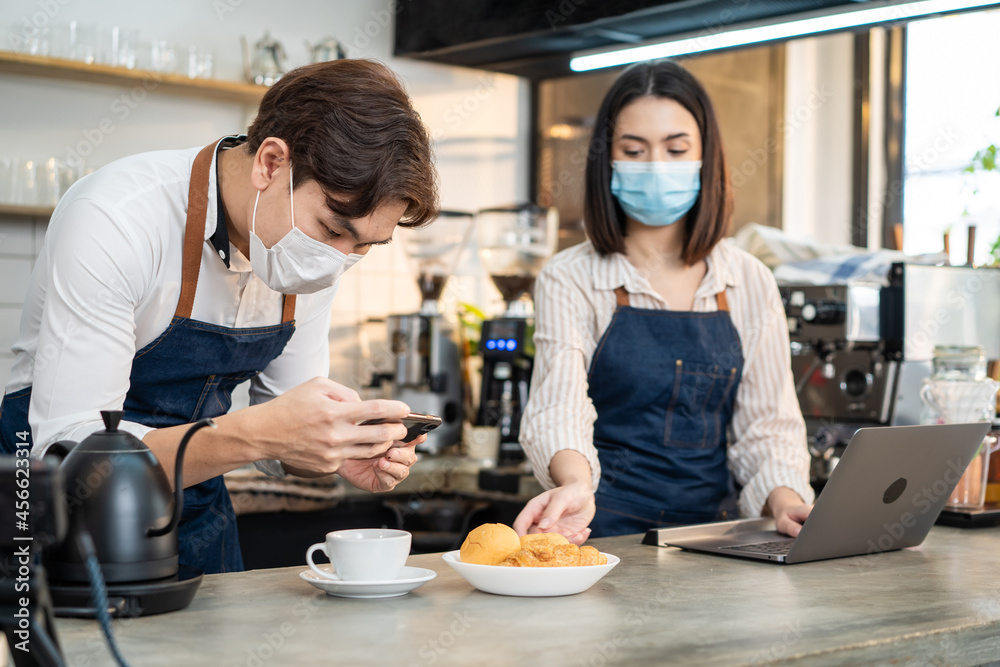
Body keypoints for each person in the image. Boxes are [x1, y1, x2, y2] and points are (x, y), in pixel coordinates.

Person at [0, 59, 438, 574]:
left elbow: (281, 437)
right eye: (333, 228)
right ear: (271, 164)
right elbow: (71, 454)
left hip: (197, 512)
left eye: (367, 245)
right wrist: (255, 434)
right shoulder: (117, 216)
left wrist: (337, 450)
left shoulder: (314, 256)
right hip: (58, 517)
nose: (340, 258)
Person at [512, 60, 815, 543]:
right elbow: (559, 407)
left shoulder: (748, 281)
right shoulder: (570, 277)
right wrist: (574, 484)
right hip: (603, 537)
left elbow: (768, 427)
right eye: (634, 150)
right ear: (607, 160)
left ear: (706, 156)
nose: (657, 166)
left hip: (717, 541)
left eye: (677, 149)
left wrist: (787, 502)